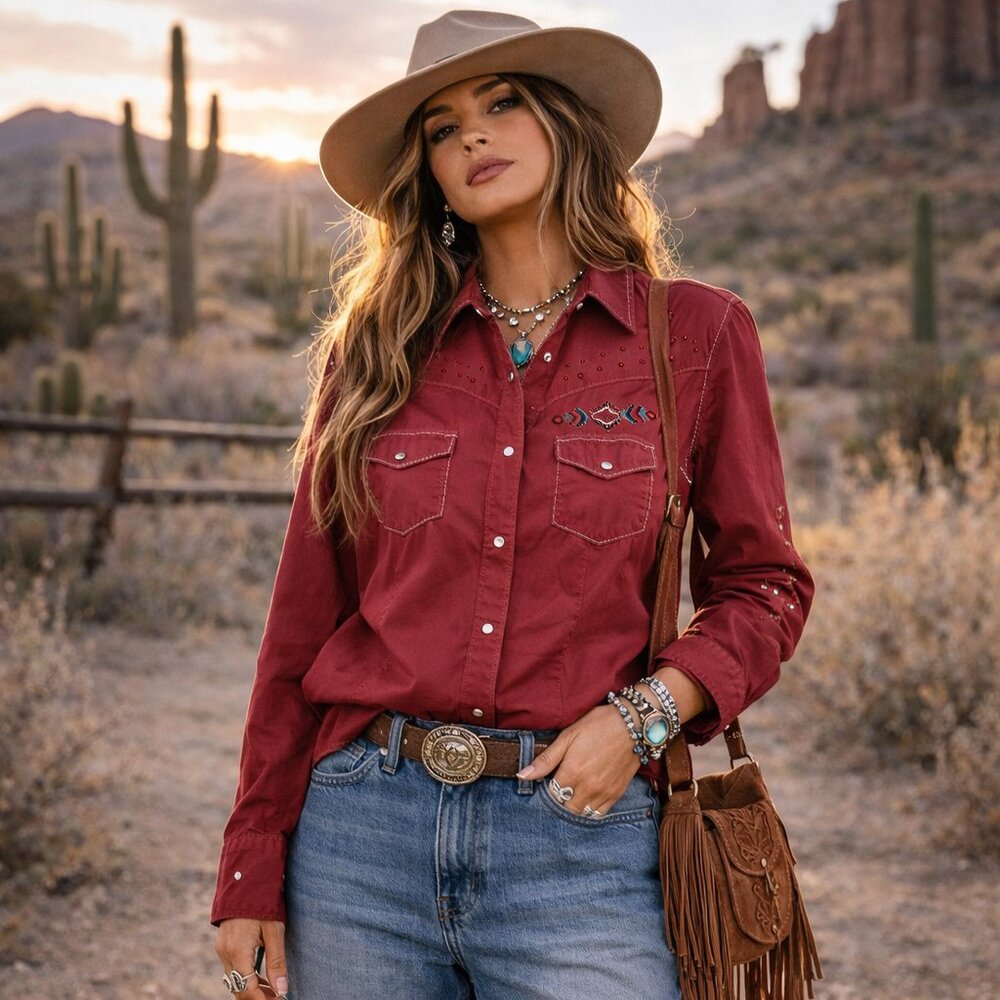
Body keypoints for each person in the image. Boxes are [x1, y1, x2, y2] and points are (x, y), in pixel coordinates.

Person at [211, 10, 815, 1000]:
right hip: (361, 837)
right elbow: (300, 625)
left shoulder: (694, 334)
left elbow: (764, 586)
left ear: (564, 123)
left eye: (501, 103)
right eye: (443, 127)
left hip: (582, 835)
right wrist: (251, 861)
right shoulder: (374, 353)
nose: (473, 137)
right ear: (428, 172)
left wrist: (646, 716)